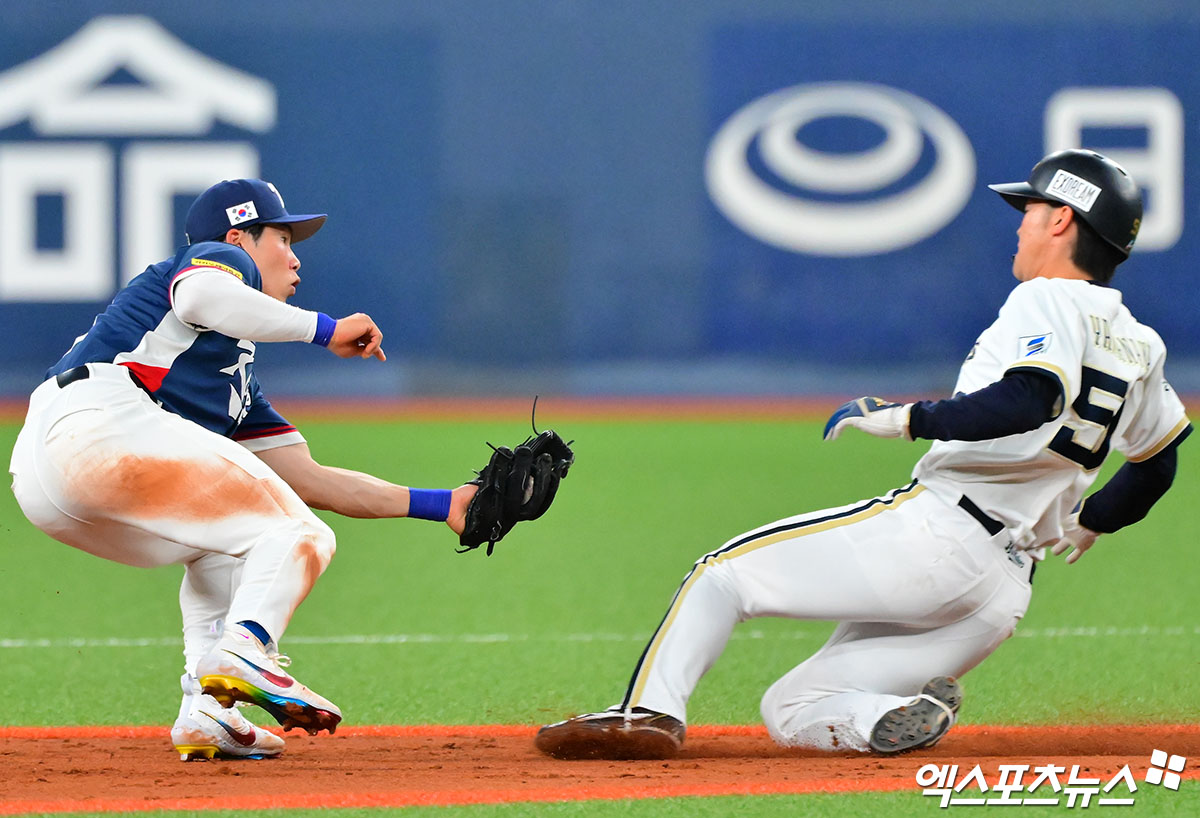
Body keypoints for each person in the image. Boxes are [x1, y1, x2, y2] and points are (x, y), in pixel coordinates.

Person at [535, 149, 1191, 760]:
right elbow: (1158, 462)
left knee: (722, 575)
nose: (1020, 224)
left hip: (941, 538)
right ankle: (888, 718)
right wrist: (1093, 519)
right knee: (792, 708)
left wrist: (908, 418)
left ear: (1061, 219)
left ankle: (646, 713)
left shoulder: (1044, 296)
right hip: (1000, 596)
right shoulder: (1141, 343)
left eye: (1030, 209)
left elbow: (1033, 397)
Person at [8, 179, 479, 761]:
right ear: (239, 238)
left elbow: (308, 479)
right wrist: (325, 329)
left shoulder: (234, 381)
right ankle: (245, 650)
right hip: (99, 421)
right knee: (298, 533)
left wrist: (443, 504)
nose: (295, 258)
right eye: (282, 238)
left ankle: (208, 710)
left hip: (50, 480)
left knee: (227, 546)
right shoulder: (217, 259)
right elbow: (201, 297)